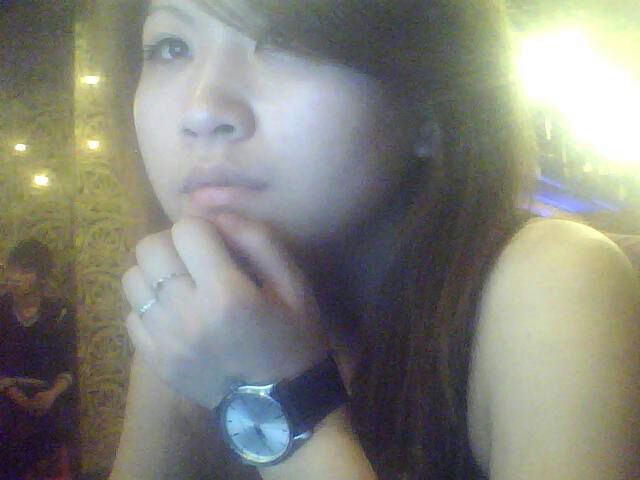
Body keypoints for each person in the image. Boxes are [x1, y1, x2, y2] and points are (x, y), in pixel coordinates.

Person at [111, 1, 640, 479]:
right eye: (171, 47)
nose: (202, 111)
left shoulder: (553, 280)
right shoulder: (197, 313)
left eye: (286, 42)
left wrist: (275, 398)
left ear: (430, 110)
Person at [0, 239, 77, 479]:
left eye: (25, 271)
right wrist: (19, 398)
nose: (15, 277)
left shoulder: (60, 311)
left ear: (42, 277)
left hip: (48, 394)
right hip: (7, 393)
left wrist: (51, 394)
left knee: (57, 420)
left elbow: (67, 364)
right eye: (12, 269)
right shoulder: (1, 309)